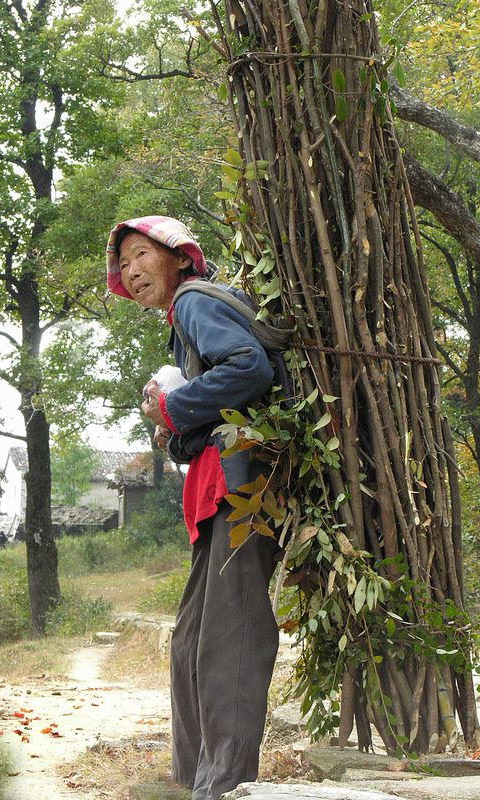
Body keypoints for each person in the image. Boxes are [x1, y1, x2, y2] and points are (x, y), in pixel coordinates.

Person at [106, 215, 280, 800]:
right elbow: (219, 404)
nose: (131, 272)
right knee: (189, 640)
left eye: (139, 255)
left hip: (248, 491)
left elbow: (250, 368)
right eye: (124, 265)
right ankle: (193, 777)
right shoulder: (182, 325)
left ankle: (224, 784)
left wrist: (175, 409)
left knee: (228, 636)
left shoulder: (194, 304)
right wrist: (173, 428)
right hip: (221, 492)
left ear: (179, 257)